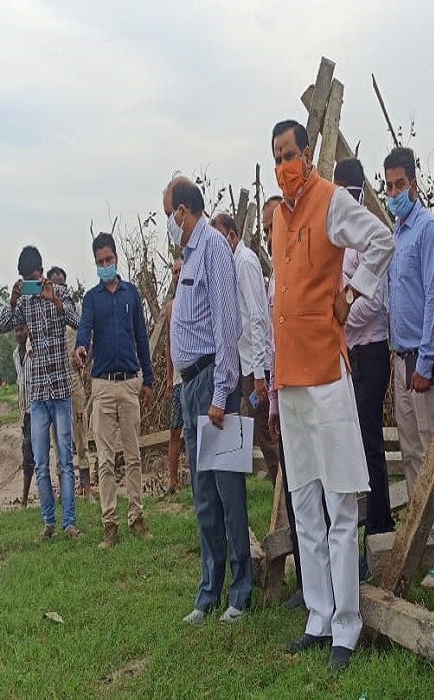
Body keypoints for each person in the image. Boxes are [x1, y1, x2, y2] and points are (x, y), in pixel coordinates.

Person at [267, 119, 394, 670]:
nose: (284, 165)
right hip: (290, 378)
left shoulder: (332, 200)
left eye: (290, 154)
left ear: (309, 154)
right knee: (304, 500)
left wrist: (350, 293)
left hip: (327, 372)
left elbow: (380, 240)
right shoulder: (276, 214)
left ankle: (348, 625)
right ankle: (319, 616)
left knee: (341, 503)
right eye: (276, 157)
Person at [164, 175, 251, 625]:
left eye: (169, 216)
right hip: (192, 385)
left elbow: (226, 326)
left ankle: (241, 590)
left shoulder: (215, 249)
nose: (169, 224)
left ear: (183, 210)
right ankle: (208, 591)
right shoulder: (189, 255)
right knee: (203, 494)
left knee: (228, 491)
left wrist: (221, 393)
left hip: (216, 386)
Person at [382, 146, 434, 590]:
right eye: (388, 186)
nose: (393, 193)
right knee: (412, 455)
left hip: (422, 360)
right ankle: (420, 541)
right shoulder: (397, 233)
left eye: (399, 185)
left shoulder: (428, 230)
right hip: (400, 358)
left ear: (414, 182)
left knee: (433, 452)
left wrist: (426, 361)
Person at [332, 157, 394, 583]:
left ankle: (380, 528)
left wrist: (340, 314)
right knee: (354, 445)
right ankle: (365, 532)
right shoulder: (341, 239)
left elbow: (373, 302)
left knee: (371, 443)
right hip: (349, 352)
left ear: (351, 192)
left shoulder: (370, 237)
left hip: (371, 350)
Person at [75, 233, 154, 548]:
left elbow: (142, 339)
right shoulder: (92, 299)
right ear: (95, 263)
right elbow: (84, 329)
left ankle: (137, 517)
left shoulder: (131, 295)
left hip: (130, 381)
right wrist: (81, 347)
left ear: (116, 258)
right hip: (104, 386)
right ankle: (110, 524)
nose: (105, 266)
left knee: (133, 456)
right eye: (99, 262)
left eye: (109, 260)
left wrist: (147, 379)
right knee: (105, 459)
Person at [0, 245, 81, 540]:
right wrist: (13, 299)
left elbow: (78, 320)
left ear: (42, 272)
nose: (31, 283)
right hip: (38, 396)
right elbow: (2, 325)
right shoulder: (25, 303)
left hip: (61, 389)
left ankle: (69, 523)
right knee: (42, 463)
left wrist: (55, 300)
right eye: (25, 279)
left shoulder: (60, 292)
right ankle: (49, 523)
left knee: (66, 462)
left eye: (33, 277)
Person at [210, 212, 278, 483]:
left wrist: (260, 372)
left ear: (232, 235)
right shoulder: (231, 265)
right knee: (261, 430)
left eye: (220, 238)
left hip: (256, 364)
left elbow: (258, 317)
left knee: (266, 431)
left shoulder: (246, 262)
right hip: (246, 361)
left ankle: (282, 494)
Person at [264, 195, 306, 611]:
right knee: (296, 494)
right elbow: (275, 346)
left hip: (311, 391)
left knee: (317, 494)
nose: (269, 234)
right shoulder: (275, 277)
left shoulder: (306, 267)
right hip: (286, 394)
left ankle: (322, 584)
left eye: (272, 225)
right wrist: (274, 400)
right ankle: (307, 583)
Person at [48, 265, 92, 501]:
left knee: (80, 432)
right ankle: (64, 491)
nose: (59, 288)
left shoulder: (75, 311)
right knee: (58, 438)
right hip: (53, 383)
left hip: (73, 380)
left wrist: (83, 362)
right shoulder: (42, 312)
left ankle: (87, 488)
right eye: (55, 283)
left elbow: (88, 339)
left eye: (62, 284)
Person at [164, 258, 184, 495]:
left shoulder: (196, 300)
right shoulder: (170, 307)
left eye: (180, 270)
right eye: (174, 272)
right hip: (178, 379)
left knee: (199, 430)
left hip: (195, 376)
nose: (178, 275)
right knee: (175, 430)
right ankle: (172, 480)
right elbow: (168, 345)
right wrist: (169, 378)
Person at [12, 322, 35, 507]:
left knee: (33, 453)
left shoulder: (33, 351)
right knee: (27, 453)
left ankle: (26, 500)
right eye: (16, 330)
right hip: (25, 413)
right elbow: (21, 386)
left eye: (22, 329)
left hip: (38, 408)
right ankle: (25, 499)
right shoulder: (14, 355)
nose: (19, 333)